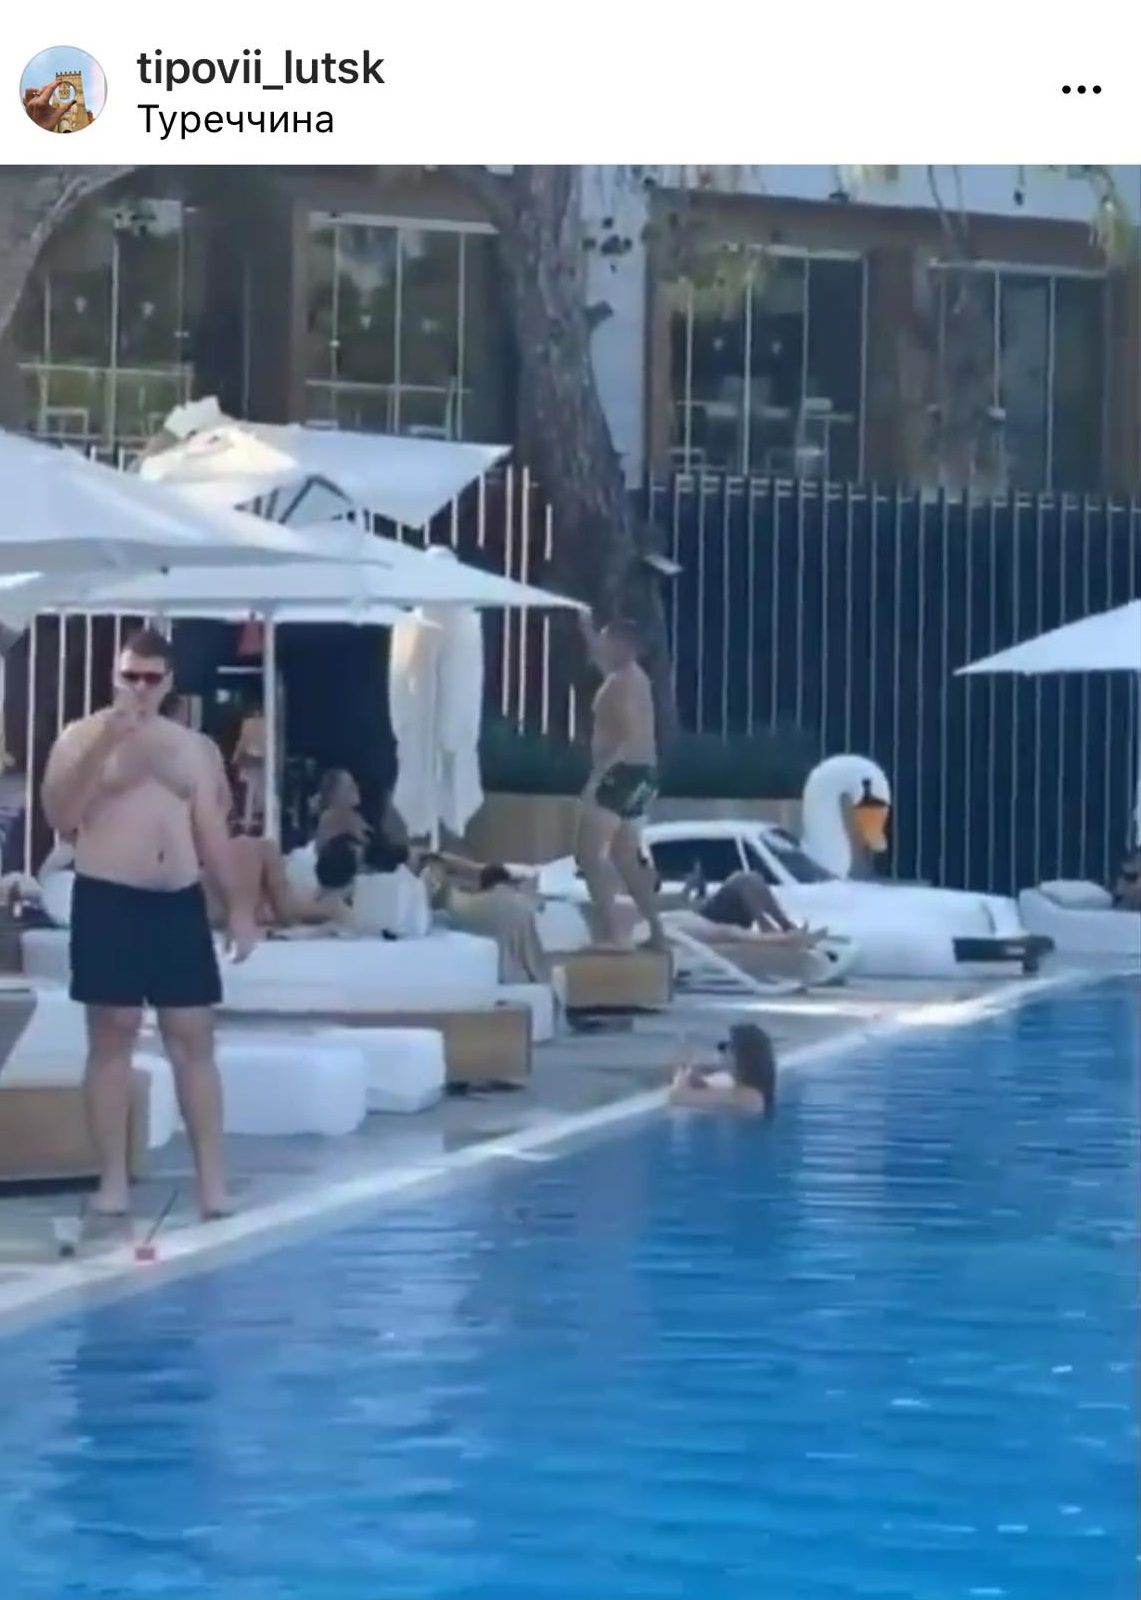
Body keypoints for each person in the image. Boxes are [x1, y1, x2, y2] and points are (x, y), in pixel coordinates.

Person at [40, 627, 258, 1221]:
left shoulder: (195, 749)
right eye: (129, 676)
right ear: (115, 676)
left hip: (176, 900)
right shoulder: (80, 736)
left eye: (149, 678)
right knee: (113, 1032)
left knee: (194, 1036)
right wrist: (106, 744)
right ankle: (113, 1180)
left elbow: (214, 834)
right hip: (108, 895)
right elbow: (62, 817)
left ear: (168, 683)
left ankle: (212, 1184)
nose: (138, 687)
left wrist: (239, 909)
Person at [576, 615, 666, 949]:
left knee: (588, 854)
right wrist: (586, 628)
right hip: (643, 774)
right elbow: (600, 658)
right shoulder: (629, 677)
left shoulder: (624, 682)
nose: (598, 645)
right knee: (624, 856)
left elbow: (630, 735)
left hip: (621, 773)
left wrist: (598, 778)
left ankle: (612, 934)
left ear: (622, 645)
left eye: (604, 639)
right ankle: (656, 932)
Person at [667, 1023, 778, 1117]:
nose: (720, 1051)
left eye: (727, 1047)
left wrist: (681, 1067)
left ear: (744, 1058)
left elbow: (677, 1097)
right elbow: (707, 1089)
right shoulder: (747, 1091)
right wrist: (694, 1077)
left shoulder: (748, 1097)